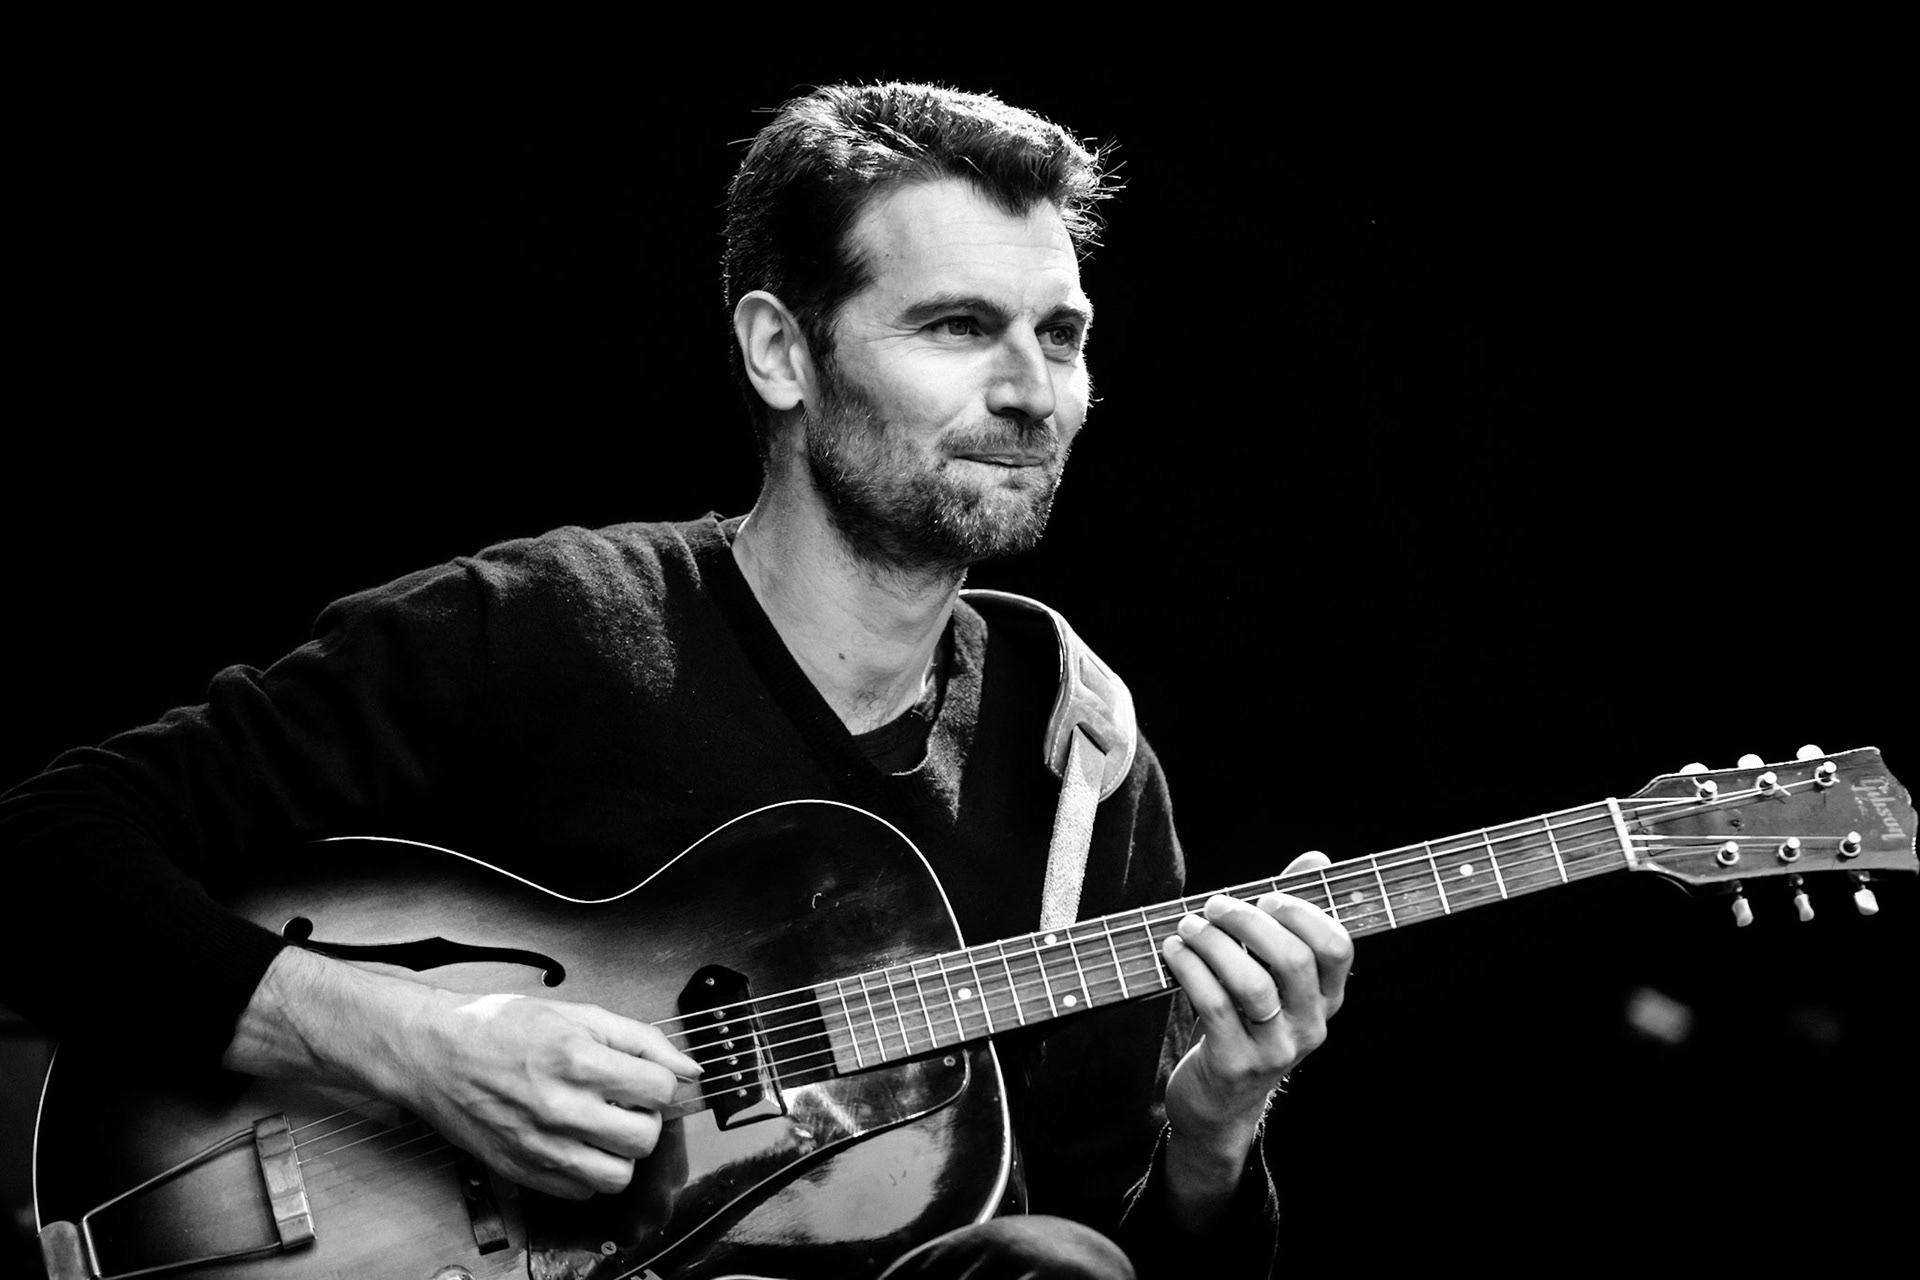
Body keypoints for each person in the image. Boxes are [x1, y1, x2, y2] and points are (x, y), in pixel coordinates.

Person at [2, 83, 1351, 1279]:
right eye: (957, 326)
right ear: (781, 353)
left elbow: (1098, 1238)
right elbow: (38, 856)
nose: (1032, 391)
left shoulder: (1082, 761)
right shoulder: (542, 629)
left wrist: (1214, 1137)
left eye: (1061, 336)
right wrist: (418, 1046)